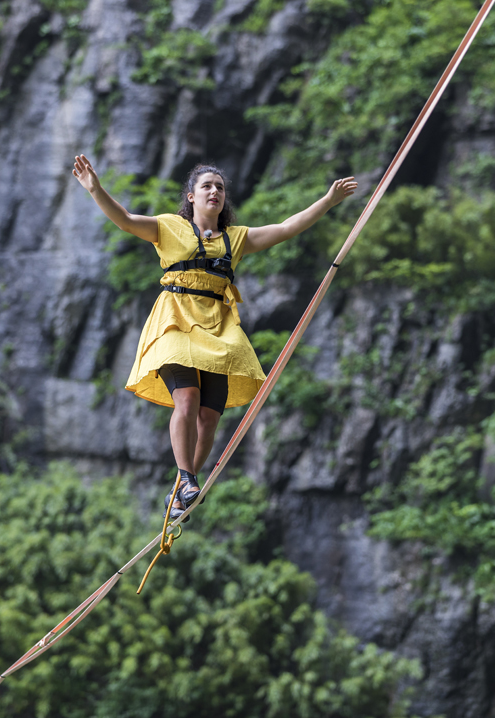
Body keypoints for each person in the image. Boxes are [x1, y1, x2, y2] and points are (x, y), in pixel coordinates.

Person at [72, 155, 357, 521]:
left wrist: (328, 201)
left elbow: (286, 228)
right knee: (187, 399)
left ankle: (181, 489)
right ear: (191, 196)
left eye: (220, 188)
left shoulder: (235, 239)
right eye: (206, 186)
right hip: (176, 322)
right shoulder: (170, 228)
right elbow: (126, 221)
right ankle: (187, 478)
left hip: (218, 330)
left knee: (209, 417)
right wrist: (96, 189)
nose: (214, 192)